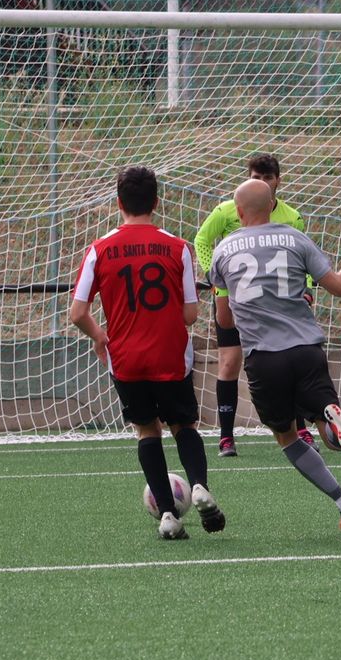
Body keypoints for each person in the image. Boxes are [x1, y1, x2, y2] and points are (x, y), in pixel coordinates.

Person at [70, 166, 225, 541]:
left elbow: (77, 313)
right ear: (156, 202)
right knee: (183, 426)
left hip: (126, 359)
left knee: (146, 430)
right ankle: (199, 485)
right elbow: (190, 314)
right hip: (170, 355)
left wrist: (100, 336)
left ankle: (168, 515)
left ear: (118, 203)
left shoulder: (99, 249)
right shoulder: (177, 247)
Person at [208, 178, 341, 530]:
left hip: (264, 357)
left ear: (238, 212)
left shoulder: (223, 251)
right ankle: (330, 429)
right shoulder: (296, 239)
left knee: (287, 437)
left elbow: (224, 319)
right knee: (325, 430)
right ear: (273, 205)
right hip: (306, 349)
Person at [193, 153, 314, 457]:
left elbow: (305, 255)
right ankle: (226, 436)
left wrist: (308, 288)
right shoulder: (226, 210)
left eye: (267, 177)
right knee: (229, 361)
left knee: (288, 359)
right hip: (237, 299)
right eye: (256, 177)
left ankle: (300, 427)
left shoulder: (292, 217)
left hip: (277, 301)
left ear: (278, 181)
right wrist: (215, 280)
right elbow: (202, 240)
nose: (262, 182)